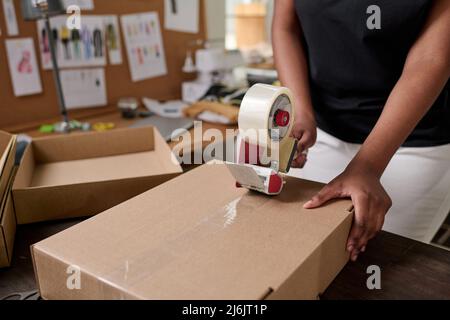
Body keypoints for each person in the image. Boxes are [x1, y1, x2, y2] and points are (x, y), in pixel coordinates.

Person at [272, 0, 450, 261]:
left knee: (376, 263)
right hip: (325, 130)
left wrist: (367, 167)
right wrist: (301, 111)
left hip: (412, 140)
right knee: (308, 252)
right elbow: (285, 28)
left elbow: (431, 58)